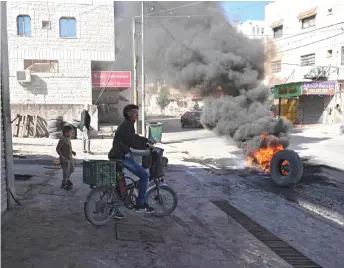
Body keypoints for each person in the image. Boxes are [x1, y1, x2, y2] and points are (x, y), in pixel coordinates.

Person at [108, 104, 155, 217]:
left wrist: (146, 140)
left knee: (120, 183)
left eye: (137, 112)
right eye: (134, 112)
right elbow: (133, 141)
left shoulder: (128, 125)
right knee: (144, 175)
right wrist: (147, 144)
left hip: (117, 155)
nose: (136, 114)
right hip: (120, 157)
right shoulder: (126, 126)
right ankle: (140, 204)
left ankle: (113, 210)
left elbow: (133, 137)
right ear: (128, 113)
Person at [56, 125, 76, 190]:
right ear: (66, 133)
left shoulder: (68, 139)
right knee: (66, 171)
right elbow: (58, 149)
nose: (71, 133)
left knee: (72, 169)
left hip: (70, 158)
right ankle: (64, 182)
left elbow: (67, 148)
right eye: (70, 132)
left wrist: (72, 152)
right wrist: (62, 157)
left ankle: (67, 179)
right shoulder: (62, 139)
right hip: (65, 159)